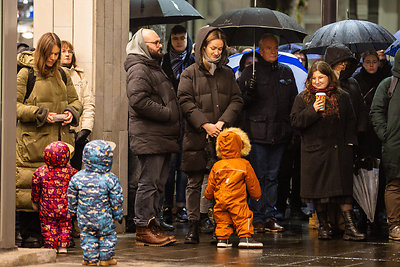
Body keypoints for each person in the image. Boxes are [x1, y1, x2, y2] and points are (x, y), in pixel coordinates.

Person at [177, 26, 243, 244]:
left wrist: (222, 123)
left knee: (222, 184)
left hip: (222, 139)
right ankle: (193, 227)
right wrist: (205, 124)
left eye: (220, 49)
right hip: (197, 136)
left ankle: (219, 227)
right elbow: (185, 101)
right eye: (213, 48)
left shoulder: (227, 73)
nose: (216, 52)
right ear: (203, 46)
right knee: (195, 182)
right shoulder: (189, 73)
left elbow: (236, 100)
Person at [16, 32, 82, 248]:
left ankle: (58, 233)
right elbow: (13, 106)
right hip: (32, 145)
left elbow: (75, 100)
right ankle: (30, 233)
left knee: (59, 192)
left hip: (60, 144)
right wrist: (40, 114)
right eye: (50, 54)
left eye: (57, 54)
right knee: (30, 187)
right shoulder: (26, 75)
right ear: (41, 52)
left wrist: (71, 112)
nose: (54, 58)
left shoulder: (62, 75)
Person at [290, 60, 365, 241]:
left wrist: (350, 145)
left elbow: (350, 122)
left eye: (321, 77)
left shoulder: (342, 96)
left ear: (329, 77)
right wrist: (313, 110)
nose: (317, 81)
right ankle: (324, 227)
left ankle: (350, 227)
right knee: (319, 193)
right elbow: (295, 122)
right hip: (314, 153)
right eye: (314, 78)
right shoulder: (303, 98)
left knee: (344, 192)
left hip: (338, 152)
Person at [124, 28, 180, 246]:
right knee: (148, 184)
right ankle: (143, 229)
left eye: (159, 42)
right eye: (155, 43)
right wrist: (167, 113)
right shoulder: (139, 68)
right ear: (142, 46)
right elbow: (138, 100)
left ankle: (153, 224)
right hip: (151, 136)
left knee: (157, 184)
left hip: (160, 136)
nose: (160, 46)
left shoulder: (152, 66)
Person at [238, 33, 297, 233]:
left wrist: (291, 131)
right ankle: (256, 217)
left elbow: (293, 103)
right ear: (260, 51)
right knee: (258, 177)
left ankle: (269, 216)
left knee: (273, 177)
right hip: (257, 134)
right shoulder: (250, 73)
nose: (273, 51)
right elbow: (240, 104)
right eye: (269, 48)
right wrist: (249, 93)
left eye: (276, 47)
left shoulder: (286, 72)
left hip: (279, 134)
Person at [204, 127, 263, 248]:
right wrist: (256, 195)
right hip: (237, 199)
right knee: (243, 216)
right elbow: (252, 182)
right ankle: (245, 237)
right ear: (240, 145)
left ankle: (222, 240)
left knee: (222, 219)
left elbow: (211, 183)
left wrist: (208, 195)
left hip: (220, 199)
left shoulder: (217, 165)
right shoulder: (244, 164)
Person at [68, 140, 123, 266]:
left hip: (84, 217)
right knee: (107, 236)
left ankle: (90, 259)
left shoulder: (77, 177)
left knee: (87, 236)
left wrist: (71, 211)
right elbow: (117, 199)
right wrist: (118, 214)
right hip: (105, 218)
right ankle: (106, 258)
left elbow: (71, 197)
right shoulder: (110, 178)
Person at [354, 50, 392, 233]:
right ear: (362, 63)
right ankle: (363, 213)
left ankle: (376, 214)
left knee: (379, 176)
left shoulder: (386, 80)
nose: (371, 65)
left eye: (374, 61)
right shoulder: (356, 81)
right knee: (362, 174)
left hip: (379, 134)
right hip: (363, 134)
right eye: (367, 61)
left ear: (379, 63)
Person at [161, 25, 195, 224]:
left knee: (184, 165)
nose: (179, 42)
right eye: (176, 38)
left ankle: (181, 205)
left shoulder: (192, 62)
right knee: (169, 166)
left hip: (187, 119)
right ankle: (166, 206)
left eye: (183, 38)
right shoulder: (163, 61)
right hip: (169, 118)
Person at [370, 49, 400, 241]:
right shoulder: (389, 84)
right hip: (395, 144)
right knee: (395, 185)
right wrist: (386, 135)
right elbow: (376, 112)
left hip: (392, 142)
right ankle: (395, 225)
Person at [31, 141, 77, 253]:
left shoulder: (40, 171)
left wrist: (35, 200)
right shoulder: (72, 172)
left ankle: (50, 247)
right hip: (66, 206)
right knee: (65, 226)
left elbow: (35, 189)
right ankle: (63, 247)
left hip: (47, 207)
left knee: (48, 226)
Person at [60, 40, 95, 171]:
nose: (67, 54)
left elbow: (88, 104)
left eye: (70, 51)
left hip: (77, 134)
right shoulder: (52, 75)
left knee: (75, 172)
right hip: (59, 133)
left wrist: (86, 129)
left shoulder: (79, 75)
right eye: (63, 51)